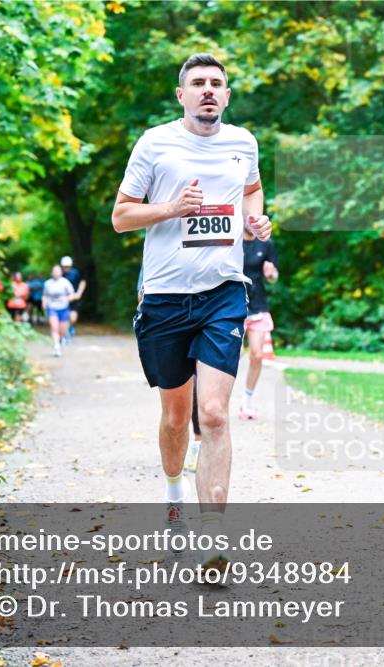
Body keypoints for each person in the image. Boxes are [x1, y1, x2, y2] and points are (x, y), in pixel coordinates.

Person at [111, 53, 272, 572]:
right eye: (198, 83)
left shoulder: (242, 142)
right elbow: (120, 217)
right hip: (162, 298)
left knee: (215, 414)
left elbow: (251, 189)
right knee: (176, 415)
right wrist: (171, 209)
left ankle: (213, 539)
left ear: (227, 96)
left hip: (223, 292)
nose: (208, 90)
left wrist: (255, 221)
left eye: (216, 84)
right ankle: (174, 491)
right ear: (181, 95)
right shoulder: (155, 143)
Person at [139, 264, 202, 474]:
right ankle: (175, 483)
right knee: (176, 410)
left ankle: (199, 444)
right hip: (166, 298)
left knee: (205, 388)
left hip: (213, 298)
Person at [239, 230, 278, 420]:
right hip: (233, 305)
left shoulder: (266, 244)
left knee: (257, 354)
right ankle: (218, 399)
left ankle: (246, 401)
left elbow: (274, 277)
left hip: (258, 306)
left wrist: (271, 274)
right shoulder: (231, 240)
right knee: (231, 354)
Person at [41, 264, 77, 357]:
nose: (56, 273)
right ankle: (56, 346)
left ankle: (62, 339)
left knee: (62, 330)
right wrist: (44, 303)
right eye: (54, 271)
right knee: (54, 327)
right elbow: (45, 295)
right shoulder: (47, 283)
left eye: (58, 271)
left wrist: (67, 299)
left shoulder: (65, 282)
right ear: (51, 273)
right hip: (52, 308)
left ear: (61, 273)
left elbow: (72, 294)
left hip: (63, 308)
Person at [60, 256, 86, 342]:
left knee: (72, 318)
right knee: (64, 317)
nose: (66, 268)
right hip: (62, 299)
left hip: (74, 298)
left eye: (68, 266)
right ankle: (64, 334)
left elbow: (82, 282)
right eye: (65, 266)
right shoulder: (59, 274)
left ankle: (70, 328)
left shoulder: (75, 273)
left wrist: (79, 293)